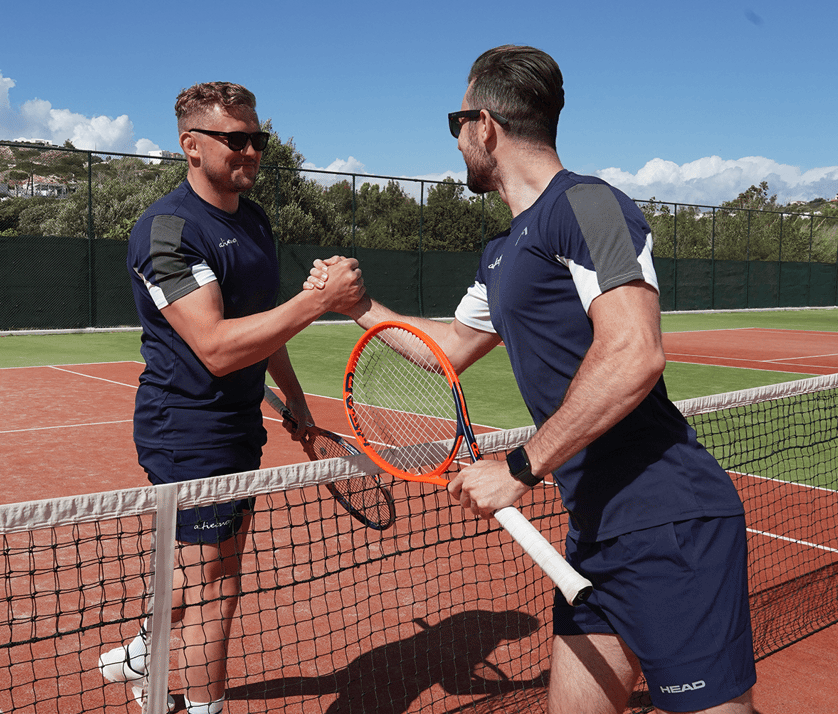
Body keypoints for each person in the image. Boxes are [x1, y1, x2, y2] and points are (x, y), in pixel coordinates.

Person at [310, 46, 755, 714]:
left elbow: (635, 352)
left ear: (484, 126)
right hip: (596, 529)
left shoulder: (589, 204)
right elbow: (446, 352)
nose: (457, 140)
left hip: (667, 519)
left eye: (457, 123)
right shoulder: (504, 253)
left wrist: (520, 467)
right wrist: (358, 308)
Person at [100, 81, 364, 714]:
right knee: (218, 582)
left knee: (201, 564)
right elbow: (217, 346)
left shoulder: (254, 219)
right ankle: (201, 707)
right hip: (187, 431)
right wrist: (318, 302)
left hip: (241, 424)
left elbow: (261, 322)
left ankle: (145, 647)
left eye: (257, 139)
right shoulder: (167, 233)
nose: (250, 151)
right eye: (234, 139)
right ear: (191, 145)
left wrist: (295, 401)